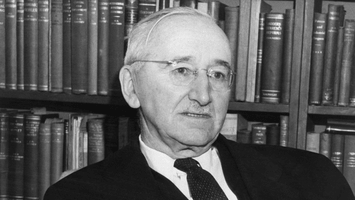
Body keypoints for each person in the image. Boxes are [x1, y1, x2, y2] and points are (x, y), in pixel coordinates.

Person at [44, 7, 355, 200]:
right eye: (182, 70)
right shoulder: (79, 194)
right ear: (131, 86)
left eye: (218, 74)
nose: (204, 95)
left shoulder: (314, 176)